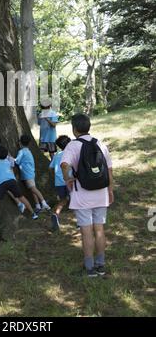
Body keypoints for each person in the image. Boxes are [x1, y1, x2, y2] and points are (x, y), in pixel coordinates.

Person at [61, 113, 114, 278]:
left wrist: (68, 179)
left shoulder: (72, 145)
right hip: (101, 193)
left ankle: (90, 268)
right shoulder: (100, 143)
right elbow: (109, 169)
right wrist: (110, 190)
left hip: (82, 194)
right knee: (99, 229)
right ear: (88, 126)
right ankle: (101, 265)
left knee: (86, 231)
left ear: (74, 129)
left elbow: (64, 164)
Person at [0, 146, 39, 228]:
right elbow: (11, 161)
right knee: (22, 197)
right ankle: (33, 214)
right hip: (12, 182)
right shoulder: (8, 161)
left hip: (2, 184)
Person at [15, 135, 50, 213]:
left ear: (20, 143)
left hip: (27, 174)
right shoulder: (28, 151)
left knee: (33, 189)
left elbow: (16, 161)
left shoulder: (21, 152)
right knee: (32, 189)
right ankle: (37, 205)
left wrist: (10, 157)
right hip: (30, 173)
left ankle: (44, 203)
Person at [49, 135, 71, 231]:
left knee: (62, 200)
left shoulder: (57, 155)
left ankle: (56, 214)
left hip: (58, 183)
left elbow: (50, 167)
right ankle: (80, 222)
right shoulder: (71, 154)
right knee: (76, 199)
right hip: (70, 181)